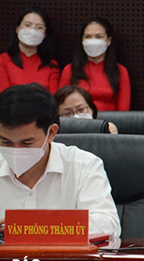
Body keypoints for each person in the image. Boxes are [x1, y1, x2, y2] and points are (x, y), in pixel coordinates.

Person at [0, 84, 120, 238]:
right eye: (6, 142)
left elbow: (107, 226)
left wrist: (35, 227)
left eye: (27, 143)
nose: (16, 151)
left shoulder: (83, 165)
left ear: (51, 133)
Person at [59, 18, 130, 111]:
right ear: (82, 41)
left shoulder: (120, 71)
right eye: (88, 37)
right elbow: (62, 106)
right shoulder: (70, 70)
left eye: (98, 37)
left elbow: (123, 111)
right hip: (78, 123)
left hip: (110, 123)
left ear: (108, 41)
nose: (93, 41)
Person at [0, 7, 60, 94]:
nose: (32, 30)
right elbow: (3, 95)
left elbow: (53, 99)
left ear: (45, 34)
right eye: (27, 25)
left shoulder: (52, 65)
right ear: (17, 29)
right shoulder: (3, 60)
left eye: (39, 27)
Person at [54, 85, 119, 134]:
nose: (76, 116)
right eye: (67, 113)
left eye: (81, 110)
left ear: (91, 109)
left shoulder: (104, 129)